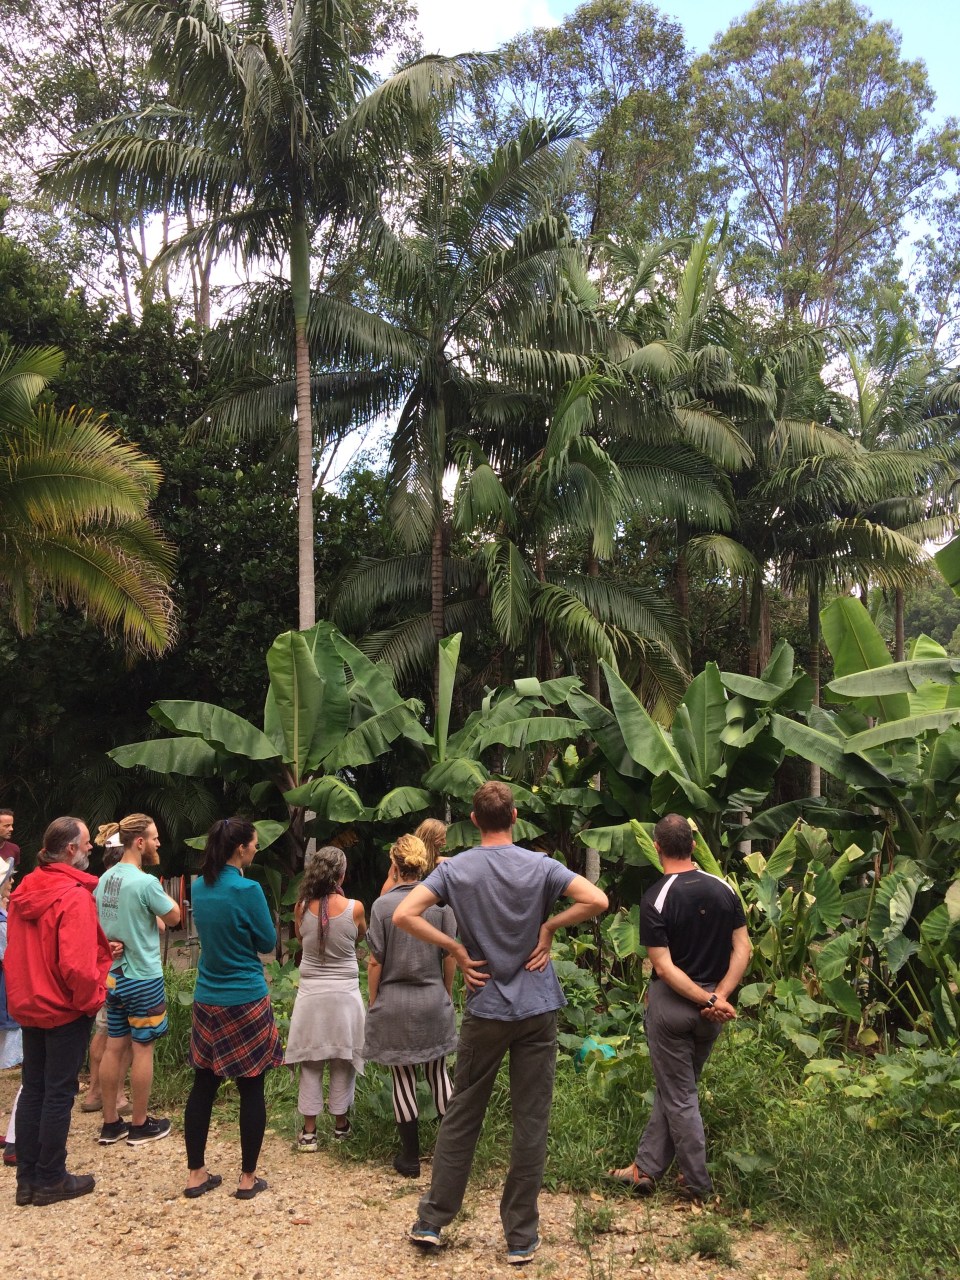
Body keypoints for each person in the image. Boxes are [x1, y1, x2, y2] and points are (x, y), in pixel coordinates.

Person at [394, 780, 608, 1266]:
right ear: (514, 818)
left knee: (463, 1112)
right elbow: (597, 900)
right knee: (531, 1120)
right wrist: (549, 927)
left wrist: (454, 948)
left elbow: (404, 913)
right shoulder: (542, 865)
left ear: (474, 821)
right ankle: (520, 1236)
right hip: (538, 1008)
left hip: (486, 1006)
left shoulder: (456, 869)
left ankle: (432, 1220)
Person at [608, 813, 752, 1201]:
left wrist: (709, 999)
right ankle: (645, 1168)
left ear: (657, 848)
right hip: (711, 1011)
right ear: (693, 845)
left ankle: (697, 1182)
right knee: (676, 1088)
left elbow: (663, 966)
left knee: (679, 1095)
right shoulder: (724, 888)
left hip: (674, 1008)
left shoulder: (656, 896)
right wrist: (719, 996)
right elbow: (743, 948)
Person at [4, 816, 112, 1206]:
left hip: (30, 1001)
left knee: (34, 1087)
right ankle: (50, 1178)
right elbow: (77, 967)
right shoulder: (74, 896)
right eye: (86, 843)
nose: (91, 847)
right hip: (65, 1007)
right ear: (70, 849)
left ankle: (28, 1180)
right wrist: (92, 1000)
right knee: (58, 1092)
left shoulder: (25, 889)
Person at [183, 818, 283, 1200]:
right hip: (245, 998)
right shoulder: (248, 889)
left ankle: (196, 1174)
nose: (256, 848)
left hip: (207, 997)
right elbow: (267, 941)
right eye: (254, 843)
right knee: (252, 1085)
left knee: (203, 1084)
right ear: (241, 848)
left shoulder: (198, 887)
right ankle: (247, 1179)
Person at [363, 834, 457, 1177]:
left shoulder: (382, 906)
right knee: (438, 1073)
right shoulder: (440, 906)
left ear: (395, 864)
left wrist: (374, 1001)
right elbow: (450, 956)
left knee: (402, 1076)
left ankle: (410, 1158)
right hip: (433, 998)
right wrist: (445, 992)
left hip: (394, 1003)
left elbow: (375, 960)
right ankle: (452, 1157)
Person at [94, 814, 180, 1147]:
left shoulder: (105, 878)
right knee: (143, 1048)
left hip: (114, 976)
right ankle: (141, 1125)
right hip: (142, 976)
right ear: (139, 842)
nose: (159, 843)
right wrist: (158, 891)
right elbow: (174, 917)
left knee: (115, 1046)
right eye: (155, 838)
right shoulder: (144, 882)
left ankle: (110, 1123)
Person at [285, 845, 367, 1149]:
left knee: (311, 1060)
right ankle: (340, 1125)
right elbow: (359, 936)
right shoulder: (355, 908)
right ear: (341, 874)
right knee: (342, 1059)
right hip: (345, 996)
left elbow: (300, 937)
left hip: (311, 996)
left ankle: (309, 1132)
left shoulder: (301, 907)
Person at [81, 833, 132, 1116]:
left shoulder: (97, 885)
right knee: (121, 1035)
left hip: (101, 968)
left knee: (102, 1030)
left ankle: (94, 1091)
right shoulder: (128, 884)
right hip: (121, 969)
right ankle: (117, 1096)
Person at [379, 818, 446, 896]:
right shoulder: (404, 859)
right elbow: (385, 891)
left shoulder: (436, 862)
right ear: (431, 839)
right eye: (441, 839)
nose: (445, 842)